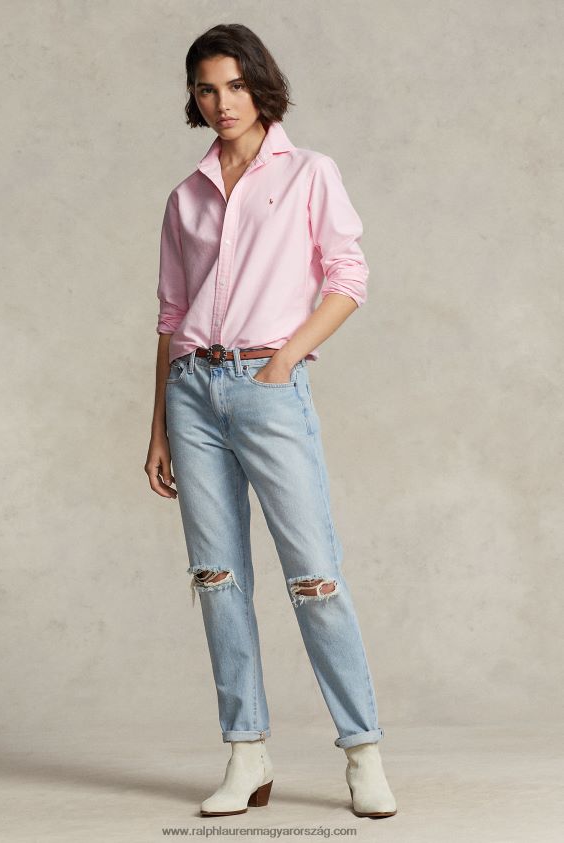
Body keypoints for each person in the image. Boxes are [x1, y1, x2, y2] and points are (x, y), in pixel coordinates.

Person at [145, 23, 397, 820]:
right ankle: (246, 752)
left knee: (314, 574)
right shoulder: (185, 196)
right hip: (191, 391)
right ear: (194, 96)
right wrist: (158, 427)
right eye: (206, 88)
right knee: (217, 578)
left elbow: (348, 278)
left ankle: (362, 752)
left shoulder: (310, 172)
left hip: (266, 383)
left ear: (261, 83)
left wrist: (285, 359)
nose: (222, 102)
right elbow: (171, 315)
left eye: (235, 84)